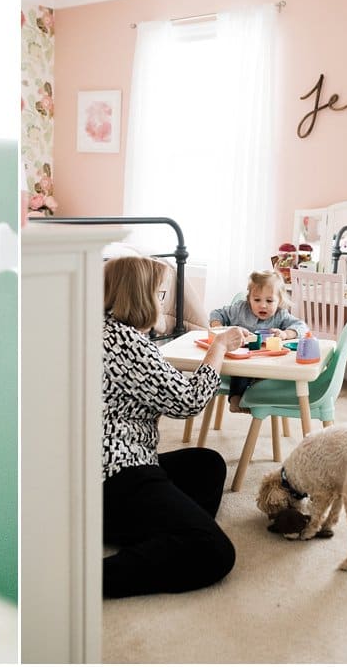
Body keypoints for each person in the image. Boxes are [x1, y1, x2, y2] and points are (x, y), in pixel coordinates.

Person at [101, 255, 248, 597]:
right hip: (114, 475)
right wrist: (219, 346)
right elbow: (189, 401)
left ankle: (164, 533)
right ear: (142, 296)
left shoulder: (106, 332)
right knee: (215, 552)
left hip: (105, 471)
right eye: (161, 294)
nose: (161, 302)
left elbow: (159, 385)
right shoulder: (127, 344)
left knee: (208, 465)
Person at [210, 270, 306, 411]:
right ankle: (235, 399)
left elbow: (301, 327)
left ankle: (257, 401)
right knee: (241, 370)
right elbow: (216, 313)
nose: (262, 305)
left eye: (269, 301)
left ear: (279, 301)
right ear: (249, 299)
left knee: (268, 380)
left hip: (267, 365)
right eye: (257, 300)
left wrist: (285, 334)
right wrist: (220, 329)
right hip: (241, 361)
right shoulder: (240, 309)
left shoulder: (280, 315)